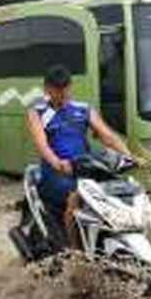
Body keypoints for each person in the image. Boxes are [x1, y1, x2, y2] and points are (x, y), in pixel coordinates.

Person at [27, 64, 131, 248]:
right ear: (47, 89)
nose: (62, 94)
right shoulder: (37, 112)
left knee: (119, 191)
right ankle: (75, 253)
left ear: (70, 86)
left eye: (65, 88)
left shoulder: (83, 109)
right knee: (76, 197)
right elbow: (42, 145)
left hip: (84, 168)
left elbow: (107, 136)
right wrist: (57, 163)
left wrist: (129, 156)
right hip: (57, 172)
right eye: (57, 90)